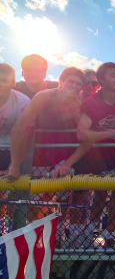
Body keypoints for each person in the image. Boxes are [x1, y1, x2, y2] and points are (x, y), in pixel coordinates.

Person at [53, 62, 115, 249]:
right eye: (113, 75)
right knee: (80, 193)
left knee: (109, 191)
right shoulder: (91, 103)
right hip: (91, 154)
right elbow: (82, 134)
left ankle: (96, 232)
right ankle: (75, 236)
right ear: (101, 80)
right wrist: (110, 133)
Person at [4, 67, 86, 245]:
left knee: (62, 196)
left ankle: (56, 236)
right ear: (61, 81)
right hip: (40, 151)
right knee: (35, 195)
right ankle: (33, 234)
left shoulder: (79, 103)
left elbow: (86, 136)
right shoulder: (44, 96)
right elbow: (20, 127)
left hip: (65, 151)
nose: (74, 86)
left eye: (78, 83)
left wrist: (69, 162)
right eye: (70, 81)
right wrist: (15, 164)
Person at [0, 63, 30, 234]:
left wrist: (15, 163)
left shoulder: (23, 102)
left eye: (4, 80)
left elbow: (26, 136)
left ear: (13, 82)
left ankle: (8, 229)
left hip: (12, 151)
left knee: (11, 190)